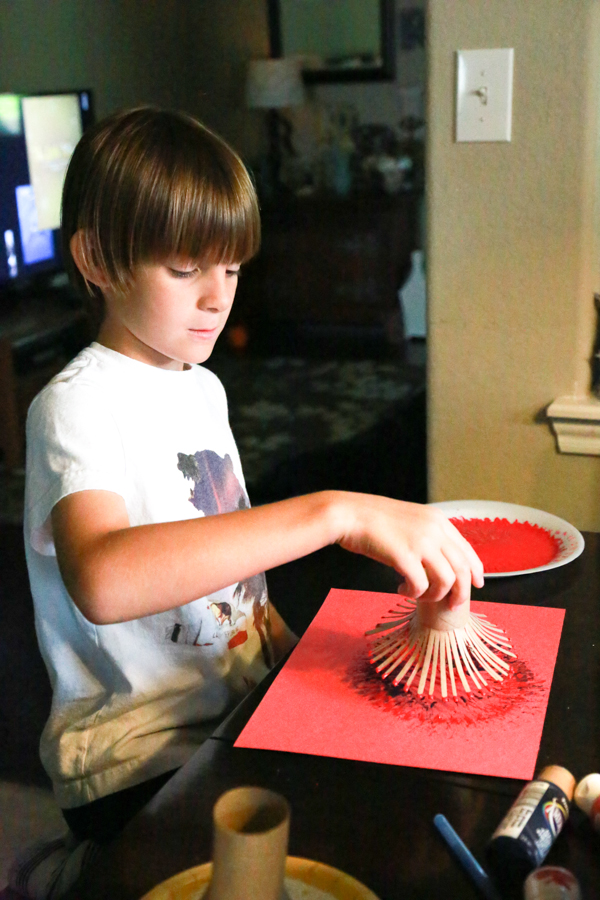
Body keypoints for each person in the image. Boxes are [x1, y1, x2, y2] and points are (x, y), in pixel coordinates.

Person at [23, 107, 484, 852]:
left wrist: (299, 656)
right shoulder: (73, 407)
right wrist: (332, 511)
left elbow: (238, 584)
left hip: (237, 707)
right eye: (185, 269)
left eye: (231, 267)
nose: (217, 295)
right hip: (136, 757)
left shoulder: (201, 387)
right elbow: (104, 580)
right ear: (98, 260)